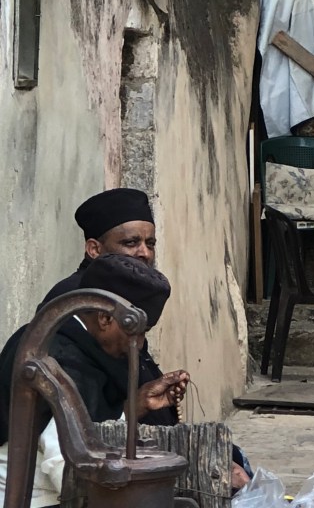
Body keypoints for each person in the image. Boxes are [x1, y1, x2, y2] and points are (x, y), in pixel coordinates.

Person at [39, 188, 250, 490]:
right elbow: (70, 460)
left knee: (231, 459)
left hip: (120, 443)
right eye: (130, 243)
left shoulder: (121, 297)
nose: (144, 253)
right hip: (86, 473)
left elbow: (105, 402)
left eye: (150, 243)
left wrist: (139, 404)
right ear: (94, 249)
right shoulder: (74, 312)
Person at [0, 254, 189, 508]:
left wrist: (132, 407)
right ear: (105, 319)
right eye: (138, 333)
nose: (139, 344)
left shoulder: (72, 341)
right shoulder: (60, 360)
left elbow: (86, 420)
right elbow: (66, 470)